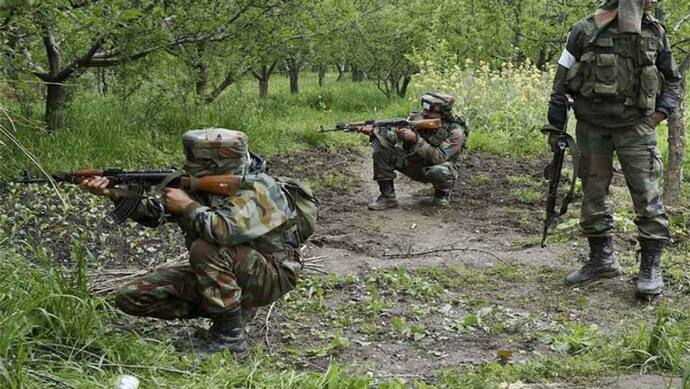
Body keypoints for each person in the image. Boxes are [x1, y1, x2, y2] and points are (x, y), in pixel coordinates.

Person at [80, 128, 311, 354]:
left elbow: (224, 231)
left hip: (270, 277)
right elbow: (153, 213)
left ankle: (229, 339)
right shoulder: (197, 185)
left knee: (206, 248)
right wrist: (115, 193)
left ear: (215, 165)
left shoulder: (262, 189)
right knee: (132, 297)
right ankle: (230, 311)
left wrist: (187, 206)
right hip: (229, 273)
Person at [545, 0, 682, 295]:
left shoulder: (655, 32)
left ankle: (650, 267)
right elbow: (560, 83)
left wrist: (655, 118)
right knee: (593, 194)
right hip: (592, 128)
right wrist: (555, 127)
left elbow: (673, 83)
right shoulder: (583, 30)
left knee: (647, 196)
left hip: (636, 128)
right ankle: (601, 259)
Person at [362, 92, 469, 209]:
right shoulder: (416, 119)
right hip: (413, 163)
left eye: (430, 111)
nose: (424, 113)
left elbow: (440, 158)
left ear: (442, 114)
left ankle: (441, 195)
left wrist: (415, 139)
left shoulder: (455, 132)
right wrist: (376, 132)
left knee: (440, 171)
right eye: (424, 109)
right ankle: (387, 197)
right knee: (381, 148)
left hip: (436, 169)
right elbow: (393, 139)